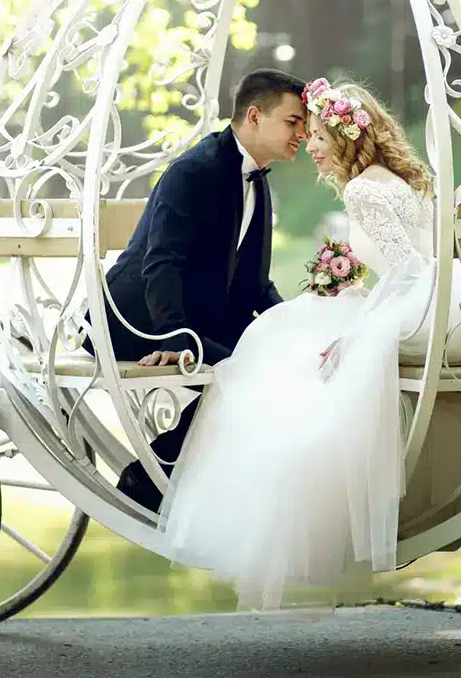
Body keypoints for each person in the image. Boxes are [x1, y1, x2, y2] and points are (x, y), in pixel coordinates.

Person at [153, 78, 461, 610]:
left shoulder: (362, 190)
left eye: (314, 135)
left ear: (341, 135)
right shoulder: (397, 180)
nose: (308, 147)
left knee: (277, 354)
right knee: (284, 333)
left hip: (413, 305)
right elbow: (410, 266)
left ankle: (268, 505)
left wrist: (356, 334)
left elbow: (406, 273)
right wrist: (347, 286)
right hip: (432, 300)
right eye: (302, 132)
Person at [90, 67, 309, 510]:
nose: (303, 133)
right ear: (254, 116)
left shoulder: (256, 182)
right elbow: (160, 262)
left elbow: (253, 284)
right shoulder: (194, 170)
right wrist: (174, 336)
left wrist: (295, 327)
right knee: (246, 372)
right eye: (293, 121)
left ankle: (177, 476)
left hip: (198, 319)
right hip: (136, 320)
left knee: (284, 364)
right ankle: (153, 476)